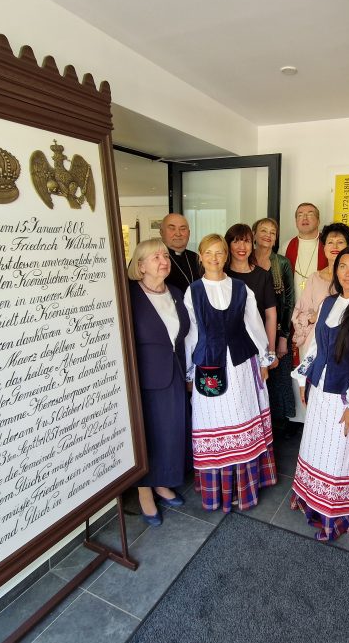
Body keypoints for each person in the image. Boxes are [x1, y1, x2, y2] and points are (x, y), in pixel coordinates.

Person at [291, 246, 349, 540]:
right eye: (343, 266)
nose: (347, 272)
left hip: (346, 396)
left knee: (341, 451)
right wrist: (305, 379)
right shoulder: (328, 302)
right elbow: (317, 346)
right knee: (317, 446)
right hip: (320, 389)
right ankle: (312, 500)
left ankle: (335, 513)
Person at [184, 234, 276, 512]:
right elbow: (191, 334)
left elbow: (255, 325)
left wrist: (264, 359)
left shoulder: (241, 288)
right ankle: (217, 492)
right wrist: (190, 373)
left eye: (219, 253)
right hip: (209, 366)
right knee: (212, 425)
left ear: (227, 256)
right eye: (208, 253)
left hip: (240, 366)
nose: (214, 258)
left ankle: (242, 488)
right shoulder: (194, 291)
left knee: (242, 419)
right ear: (200, 257)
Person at [126, 239, 191, 526]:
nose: (163, 260)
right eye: (155, 257)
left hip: (174, 373)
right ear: (140, 266)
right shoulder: (129, 296)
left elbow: (182, 336)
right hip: (144, 378)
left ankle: (162, 482)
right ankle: (144, 493)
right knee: (148, 436)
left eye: (165, 255)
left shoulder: (176, 292)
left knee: (170, 432)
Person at [253, 217, 297, 432]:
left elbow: (289, 300)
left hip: (277, 329)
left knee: (278, 378)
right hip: (251, 332)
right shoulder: (244, 260)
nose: (268, 235)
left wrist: (283, 337)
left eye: (272, 232)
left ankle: (278, 427)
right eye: (263, 230)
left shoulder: (281, 263)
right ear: (254, 234)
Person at [291, 222, 349, 357]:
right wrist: (312, 317)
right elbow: (300, 312)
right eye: (330, 242)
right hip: (315, 343)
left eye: (340, 242)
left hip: (345, 343)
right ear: (324, 247)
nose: (335, 246)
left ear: (348, 247)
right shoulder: (314, 278)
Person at [224, 223, 278, 358]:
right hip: (228, 347)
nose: (242, 247)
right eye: (236, 241)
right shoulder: (222, 275)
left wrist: (270, 351)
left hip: (257, 345)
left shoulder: (263, 275)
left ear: (252, 244)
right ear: (228, 245)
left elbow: (271, 316)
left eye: (246, 241)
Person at [284, 202, 328, 292]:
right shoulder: (286, 246)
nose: (304, 218)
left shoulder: (328, 245)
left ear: (318, 221)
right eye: (300, 215)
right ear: (296, 222)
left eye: (310, 214)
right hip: (292, 303)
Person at [160, 212, 202, 291]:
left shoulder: (195, 257)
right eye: (172, 228)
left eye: (183, 229)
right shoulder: (151, 257)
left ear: (189, 233)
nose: (178, 234)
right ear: (161, 232)